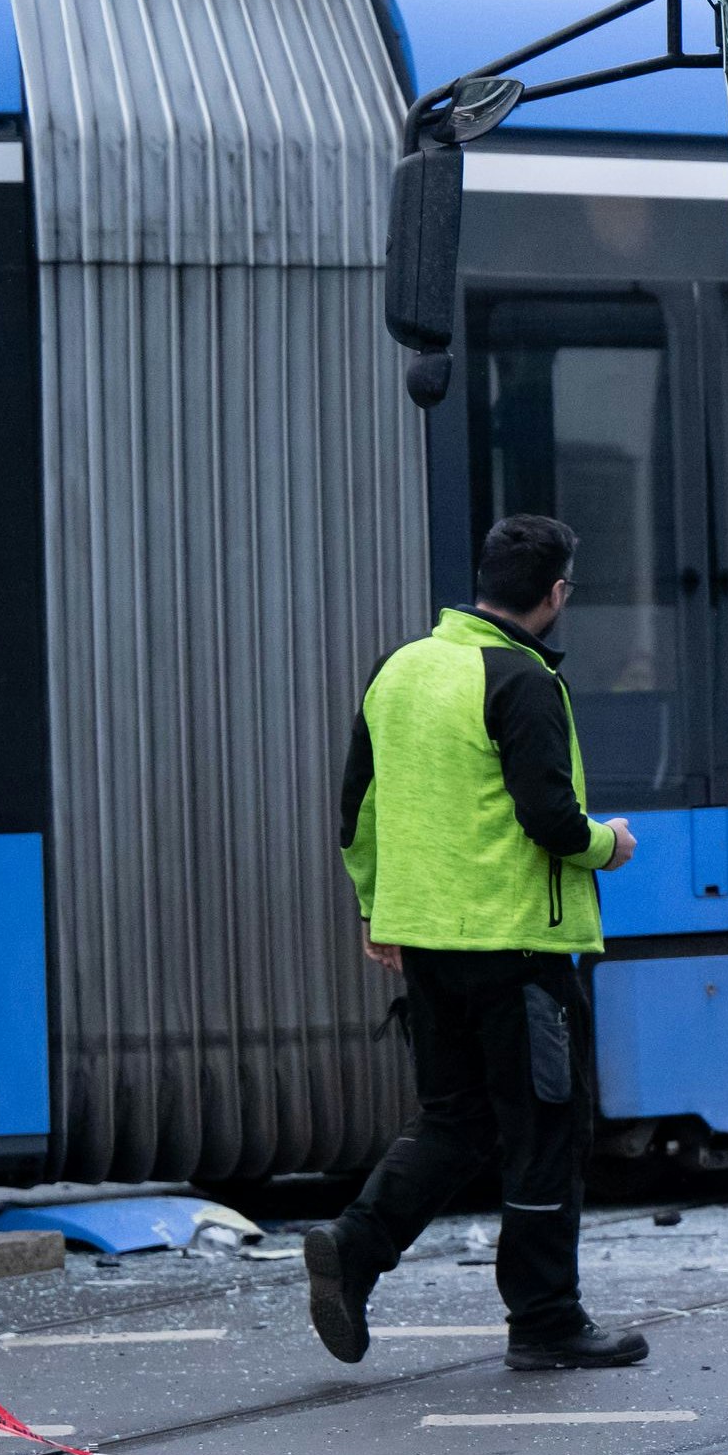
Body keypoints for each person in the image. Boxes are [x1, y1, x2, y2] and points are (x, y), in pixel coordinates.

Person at [308, 514, 650, 1370]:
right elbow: (551, 819)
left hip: (427, 943)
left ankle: (355, 1247)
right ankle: (546, 1322)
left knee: (456, 1120)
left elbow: (358, 809)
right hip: (517, 948)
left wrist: (376, 909)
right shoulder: (523, 679)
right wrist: (608, 844)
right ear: (556, 593)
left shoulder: (400, 668)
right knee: (545, 1131)